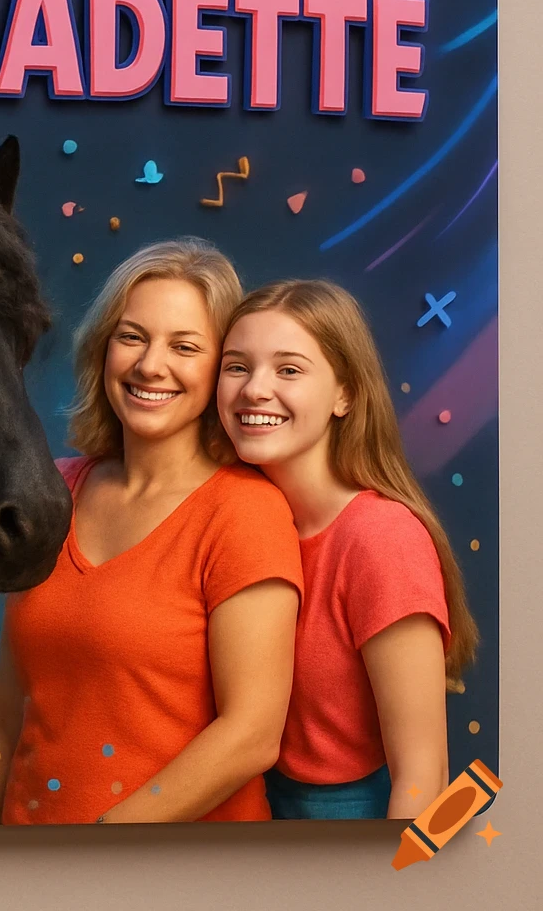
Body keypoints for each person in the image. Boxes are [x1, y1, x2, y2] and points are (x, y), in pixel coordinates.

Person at [0, 239, 303, 826]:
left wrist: (103, 845)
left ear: (222, 369)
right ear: (102, 349)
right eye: (132, 336)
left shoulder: (246, 513)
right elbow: (3, 712)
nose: (149, 365)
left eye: (185, 346)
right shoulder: (53, 492)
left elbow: (251, 736)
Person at [216, 279, 478, 821]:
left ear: (345, 394)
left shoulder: (381, 538)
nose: (254, 390)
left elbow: (423, 779)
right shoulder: (243, 520)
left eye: (288, 369)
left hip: (354, 834)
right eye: (237, 366)